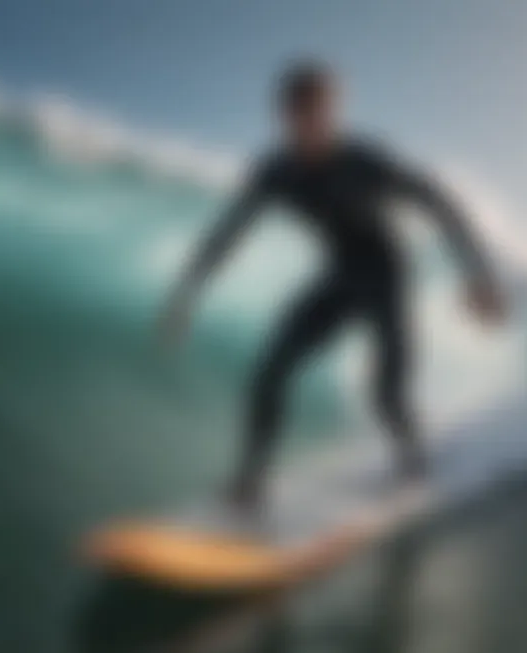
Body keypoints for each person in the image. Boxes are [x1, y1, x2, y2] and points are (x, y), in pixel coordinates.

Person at [159, 61, 506, 512]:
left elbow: (438, 201)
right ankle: (251, 481)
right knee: (270, 372)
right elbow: (229, 232)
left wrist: (478, 274)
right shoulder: (276, 172)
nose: (313, 126)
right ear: (284, 116)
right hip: (340, 277)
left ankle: (415, 463)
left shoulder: (365, 162)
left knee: (385, 396)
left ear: (335, 111)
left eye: (323, 113)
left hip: (387, 276)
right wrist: (188, 293)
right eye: (301, 114)